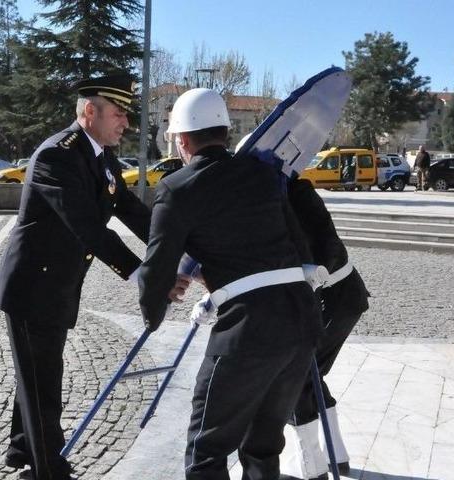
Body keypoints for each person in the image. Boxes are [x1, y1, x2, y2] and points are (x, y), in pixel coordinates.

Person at [138, 88, 322, 480]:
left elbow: (158, 268)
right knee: (263, 443)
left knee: (207, 446)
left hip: (250, 328)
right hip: (302, 318)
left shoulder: (176, 188)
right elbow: (294, 240)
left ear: (183, 141)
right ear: (223, 131)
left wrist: (153, 311)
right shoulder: (263, 172)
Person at [0, 74, 167, 480]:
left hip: (57, 285)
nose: (126, 123)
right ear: (90, 112)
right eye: (119, 114)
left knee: (36, 373)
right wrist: (142, 273)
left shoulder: (100, 157)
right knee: (43, 382)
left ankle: (22, 450)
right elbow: (88, 226)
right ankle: (48, 468)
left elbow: (132, 211)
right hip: (33, 288)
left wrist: (176, 246)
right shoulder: (57, 156)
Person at [279, 177, 370, 480]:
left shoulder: (287, 195)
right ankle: (336, 455)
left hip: (328, 298)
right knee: (309, 373)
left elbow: (319, 250)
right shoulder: (296, 188)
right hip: (342, 295)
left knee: (296, 376)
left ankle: (312, 464)